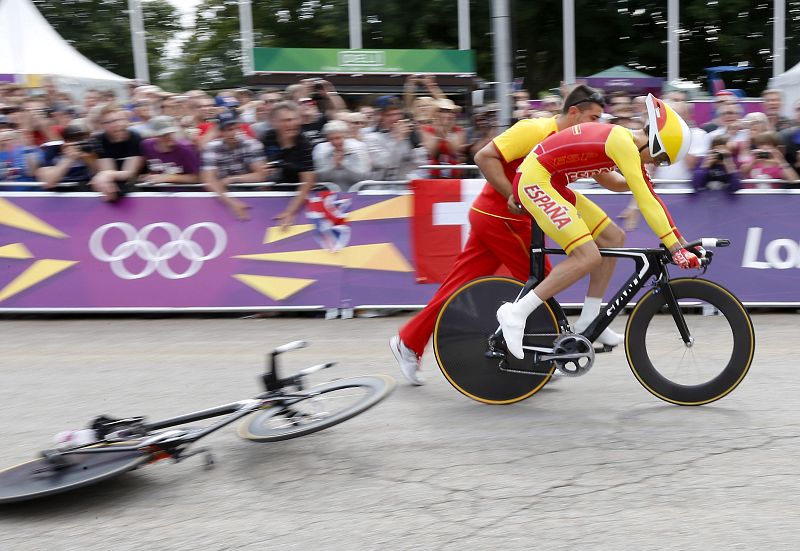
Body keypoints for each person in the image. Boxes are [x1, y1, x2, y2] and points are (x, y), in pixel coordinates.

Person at [390, 84, 608, 385]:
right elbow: (483, 156)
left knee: (457, 289)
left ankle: (409, 341)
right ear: (574, 113)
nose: (599, 125)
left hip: (493, 218)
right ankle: (545, 356)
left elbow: (605, 175)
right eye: (594, 117)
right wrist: (512, 195)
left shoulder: (571, 139)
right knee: (543, 284)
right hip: (503, 219)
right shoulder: (534, 129)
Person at [496, 94, 702, 361]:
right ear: (654, 143)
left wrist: (682, 243)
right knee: (588, 257)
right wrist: (676, 249)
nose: (655, 164)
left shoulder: (623, 143)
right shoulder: (623, 143)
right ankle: (517, 313)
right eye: (661, 158)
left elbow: (626, 188)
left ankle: (590, 319)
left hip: (553, 183)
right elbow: (646, 201)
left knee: (613, 237)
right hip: (535, 181)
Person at [201, 111, 267, 220]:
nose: (234, 133)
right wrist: (231, 202)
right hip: (222, 194)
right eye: (229, 130)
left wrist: (231, 179)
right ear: (221, 132)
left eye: (236, 128)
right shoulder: (211, 147)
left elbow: (261, 175)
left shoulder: (253, 144)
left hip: (251, 192)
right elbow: (208, 181)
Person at [260, 101, 316, 226]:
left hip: (296, 194)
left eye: (295, 119)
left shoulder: (304, 144)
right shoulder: (268, 137)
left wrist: (290, 212)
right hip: (272, 192)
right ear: (274, 122)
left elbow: (308, 182)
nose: (292, 124)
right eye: (286, 120)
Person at [89, 104, 144, 202]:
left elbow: (129, 173)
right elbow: (107, 170)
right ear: (102, 125)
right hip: (116, 181)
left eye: (119, 120)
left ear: (126, 121)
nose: (116, 124)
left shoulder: (135, 137)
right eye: (109, 122)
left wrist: (106, 175)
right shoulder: (99, 140)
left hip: (135, 184)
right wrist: (106, 177)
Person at [139, 115, 201, 185]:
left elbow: (198, 178)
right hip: (155, 190)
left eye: (172, 133)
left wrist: (167, 178)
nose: (170, 137)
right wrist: (147, 176)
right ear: (155, 136)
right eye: (164, 134)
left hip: (183, 191)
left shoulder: (186, 149)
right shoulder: (146, 145)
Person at [312, 120, 370, 191]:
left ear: (345, 136)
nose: (335, 142)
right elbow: (319, 178)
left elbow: (363, 177)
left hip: (355, 192)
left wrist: (344, 165)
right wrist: (333, 166)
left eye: (338, 138)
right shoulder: (321, 149)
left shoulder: (359, 147)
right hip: (329, 192)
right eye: (331, 139)